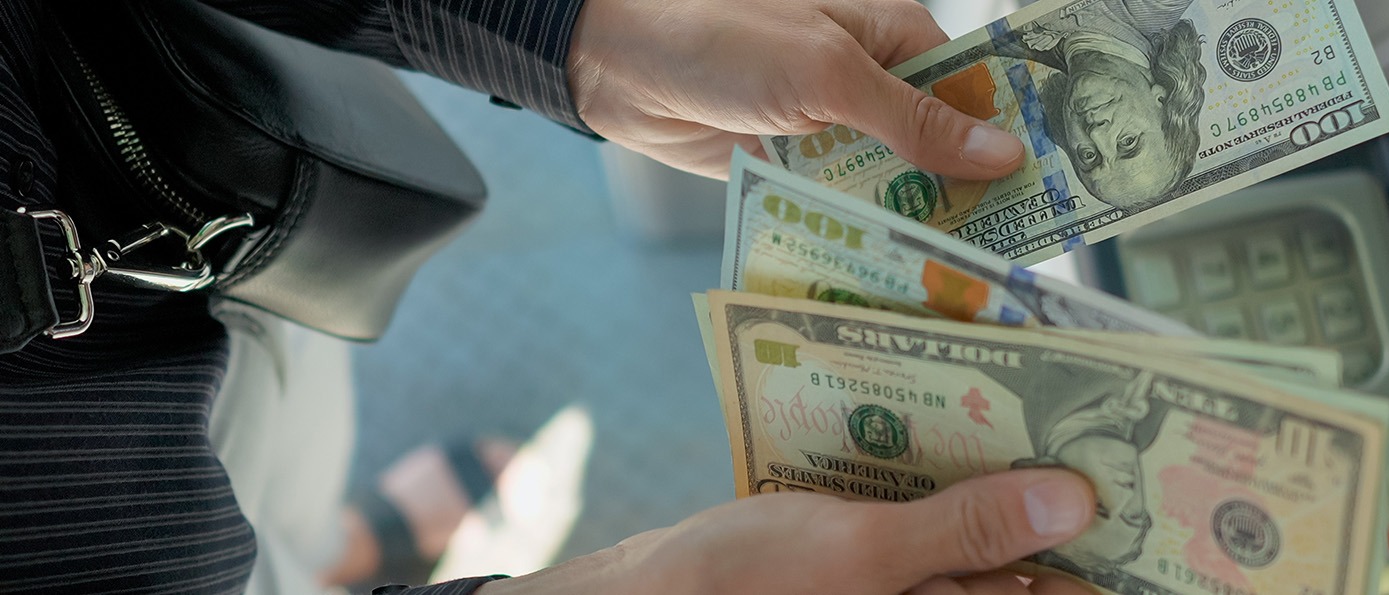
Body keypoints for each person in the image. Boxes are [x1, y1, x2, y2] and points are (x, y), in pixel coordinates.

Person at [0, 0, 1105, 594]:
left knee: (285, 459)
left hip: (210, 242)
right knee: (256, 536)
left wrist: (583, 33)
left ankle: (329, 549)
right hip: (146, 479)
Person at [993, 0, 1206, 214]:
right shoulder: (1160, 5)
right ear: (1161, 100)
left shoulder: (1007, 45)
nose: (1096, 134)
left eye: (1088, 156)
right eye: (1128, 141)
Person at [1014, 368, 1166, 590]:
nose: (1126, 493)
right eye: (1132, 515)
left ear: (1044, 472)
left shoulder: (1023, 378)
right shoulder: (1156, 421)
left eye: (1098, 505)